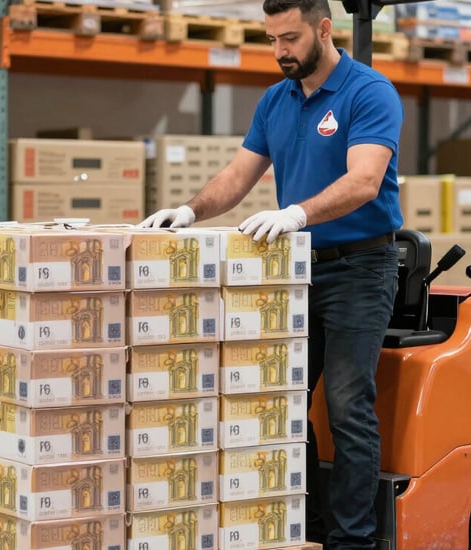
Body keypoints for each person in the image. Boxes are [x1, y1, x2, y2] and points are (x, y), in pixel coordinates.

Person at [139, 0, 403, 548]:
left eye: (289, 38)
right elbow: (238, 176)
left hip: (361, 268)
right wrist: (187, 212)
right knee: (283, 399)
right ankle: (301, 529)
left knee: (348, 405)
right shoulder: (275, 100)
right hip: (299, 269)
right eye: (272, 40)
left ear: (323, 29)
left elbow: (364, 182)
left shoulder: (368, 92)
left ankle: (353, 540)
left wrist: (296, 213)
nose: (279, 51)